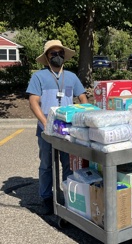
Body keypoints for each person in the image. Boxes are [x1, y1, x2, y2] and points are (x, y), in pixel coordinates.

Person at [26, 40, 88, 215]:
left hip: (67, 130)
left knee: (68, 164)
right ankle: (47, 197)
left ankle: (69, 197)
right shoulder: (39, 77)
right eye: (53, 53)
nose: (57, 56)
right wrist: (45, 123)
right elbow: (33, 102)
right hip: (46, 130)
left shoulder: (72, 77)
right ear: (47, 57)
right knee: (47, 164)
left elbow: (82, 98)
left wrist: (84, 118)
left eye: (60, 53)